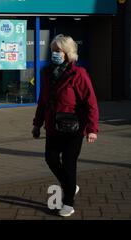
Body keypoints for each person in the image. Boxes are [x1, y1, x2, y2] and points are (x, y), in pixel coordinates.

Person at [32, 34, 99, 217]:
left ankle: (68, 202)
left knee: (69, 164)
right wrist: (37, 124)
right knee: (51, 159)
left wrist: (92, 129)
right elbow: (43, 101)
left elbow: (91, 103)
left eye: (58, 51)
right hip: (53, 127)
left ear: (68, 53)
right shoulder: (47, 73)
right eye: (53, 50)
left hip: (73, 128)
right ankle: (70, 185)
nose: (55, 53)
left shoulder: (78, 74)